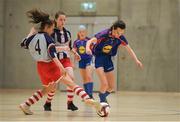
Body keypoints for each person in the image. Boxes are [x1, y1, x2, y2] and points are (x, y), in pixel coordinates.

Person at [19, 9, 101, 115]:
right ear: (47, 27)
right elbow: (53, 55)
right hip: (51, 65)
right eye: (52, 29)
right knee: (71, 83)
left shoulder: (33, 37)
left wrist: (31, 32)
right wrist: (61, 68)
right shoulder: (48, 38)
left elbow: (23, 44)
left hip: (40, 67)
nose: (52, 31)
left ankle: (26, 104)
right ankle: (88, 99)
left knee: (48, 89)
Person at [86, 20, 143, 104]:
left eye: (121, 33)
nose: (118, 35)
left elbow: (129, 49)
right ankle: (102, 103)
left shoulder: (120, 37)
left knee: (111, 87)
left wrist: (136, 60)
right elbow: (90, 41)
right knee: (104, 84)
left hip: (108, 58)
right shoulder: (104, 34)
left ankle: (102, 96)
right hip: (98, 57)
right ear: (113, 28)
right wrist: (87, 48)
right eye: (117, 32)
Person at [44, 11, 81, 111]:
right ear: (56, 20)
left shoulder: (68, 33)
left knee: (71, 79)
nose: (63, 22)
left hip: (65, 59)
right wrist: (59, 49)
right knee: (54, 85)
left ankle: (70, 103)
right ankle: (48, 102)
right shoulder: (51, 32)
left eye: (64, 20)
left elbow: (69, 47)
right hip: (55, 61)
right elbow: (48, 48)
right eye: (61, 19)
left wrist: (75, 53)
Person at [73, 25, 94, 99]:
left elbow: (94, 49)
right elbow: (75, 53)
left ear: (86, 32)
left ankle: (91, 95)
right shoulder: (76, 42)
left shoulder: (89, 40)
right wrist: (73, 63)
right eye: (80, 32)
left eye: (83, 32)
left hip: (88, 60)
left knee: (89, 76)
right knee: (84, 78)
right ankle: (87, 96)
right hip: (81, 61)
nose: (82, 33)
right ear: (78, 33)